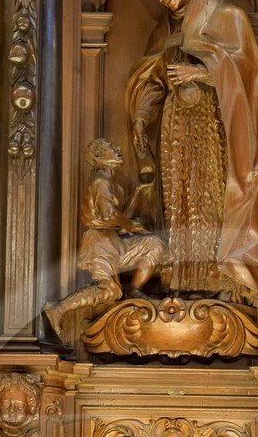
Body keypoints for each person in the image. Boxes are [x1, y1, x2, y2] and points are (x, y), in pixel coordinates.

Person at [113, 0, 258, 302]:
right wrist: (141, 114)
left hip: (214, 128)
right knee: (179, 199)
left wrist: (204, 72)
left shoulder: (227, 15)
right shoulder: (165, 28)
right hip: (174, 130)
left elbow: (249, 75)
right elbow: (152, 77)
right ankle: (180, 277)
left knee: (210, 198)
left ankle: (219, 277)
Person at [43, 138, 166, 345]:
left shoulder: (115, 186)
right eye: (111, 148)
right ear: (99, 156)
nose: (118, 150)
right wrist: (131, 225)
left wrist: (137, 193)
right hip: (98, 241)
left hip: (113, 239)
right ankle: (58, 309)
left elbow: (120, 219)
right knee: (110, 290)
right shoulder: (100, 181)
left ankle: (134, 290)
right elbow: (109, 216)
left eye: (116, 147)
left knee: (154, 245)